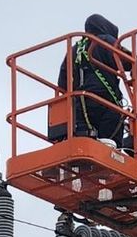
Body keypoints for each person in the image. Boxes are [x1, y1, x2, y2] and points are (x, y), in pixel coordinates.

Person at [54, 13, 127, 147]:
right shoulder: (105, 40)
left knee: (82, 141)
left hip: (80, 104)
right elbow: (126, 62)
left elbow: (62, 81)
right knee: (111, 144)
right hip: (106, 101)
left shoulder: (74, 49)